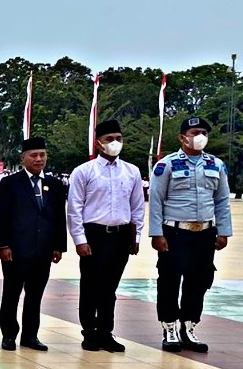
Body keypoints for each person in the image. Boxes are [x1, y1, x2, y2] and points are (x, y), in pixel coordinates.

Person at [150, 116, 232, 353]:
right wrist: (157, 233)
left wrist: (224, 231)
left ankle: (189, 325)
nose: (200, 137)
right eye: (195, 132)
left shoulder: (216, 165)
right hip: (175, 232)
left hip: (205, 233)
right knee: (170, 280)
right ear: (182, 137)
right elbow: (156, 200)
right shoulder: (167, 165)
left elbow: (222, 200)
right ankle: (170, 327)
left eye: (204, 132)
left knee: (200, 280)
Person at [66, 119, 144, 353]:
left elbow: (138, 207)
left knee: (110, 288)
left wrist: (136, 237)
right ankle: (89, 333)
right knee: (90, 286)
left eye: (118, 139)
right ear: (98, 143)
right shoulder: (84, 171)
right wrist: (80, 240)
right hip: (94, 234)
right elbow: (75, 208)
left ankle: (105, 332)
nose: (115, 143)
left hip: (120, 236)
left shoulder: (132, 171)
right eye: (109, 139)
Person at [0, 136, 66, 351]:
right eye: (34, 155)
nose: (39, 159)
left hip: (43, 250)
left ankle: (30, 335)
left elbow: (58, 217)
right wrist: (3, 245)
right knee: (11, 293)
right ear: (23, 158)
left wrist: (59, 246)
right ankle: (9, 334)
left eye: (42, 155)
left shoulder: (54, 184)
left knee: (35, 295)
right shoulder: (10, 183)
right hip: (16, 250)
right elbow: (2, 217)